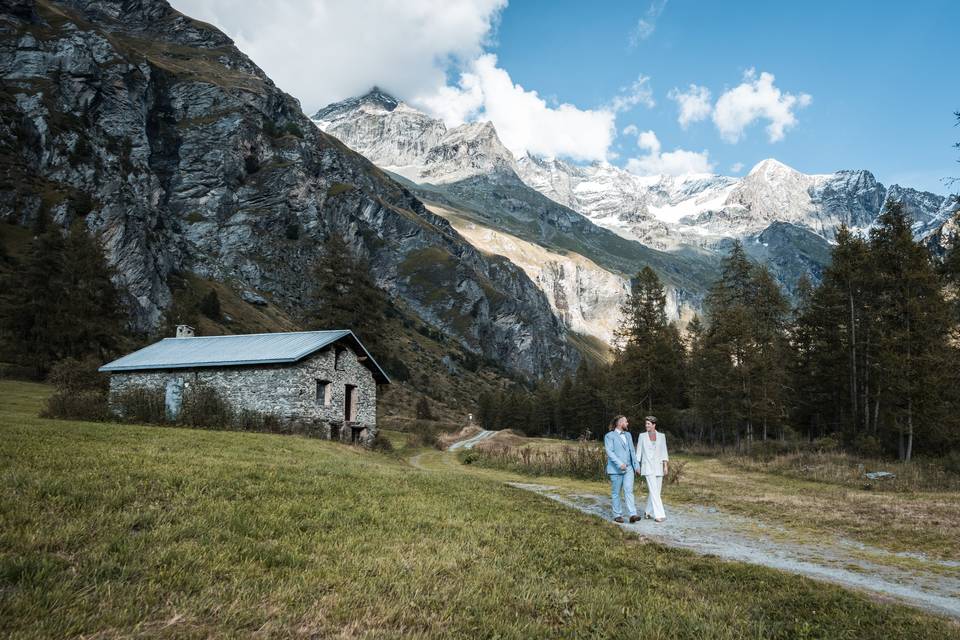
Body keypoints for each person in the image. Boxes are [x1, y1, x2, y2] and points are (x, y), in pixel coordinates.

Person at [603, 415, 641, 523]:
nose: (627, 423)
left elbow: (632, 451)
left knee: (629, 490)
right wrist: (619, 464)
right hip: (616, 469)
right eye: (626, 422)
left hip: (629, 468)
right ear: (619, 423)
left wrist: (637, 466)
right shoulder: (609, 436)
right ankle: (617, 514)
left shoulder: (628, 435)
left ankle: (633, 514)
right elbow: (610, 452)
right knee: (616, 492)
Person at [638, 415, 669, 522]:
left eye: (648, 424)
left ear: (654, 425)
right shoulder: (642, 436)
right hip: (647, 467)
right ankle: (658, 515)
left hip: (659, 467)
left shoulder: (662, 436)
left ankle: (647, 512)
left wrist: (665, 465)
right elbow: (639, 452)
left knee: (656, 491)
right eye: (646, 424)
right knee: (654, 491)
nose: (646, 425)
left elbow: (664, 451)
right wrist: (637, 466)